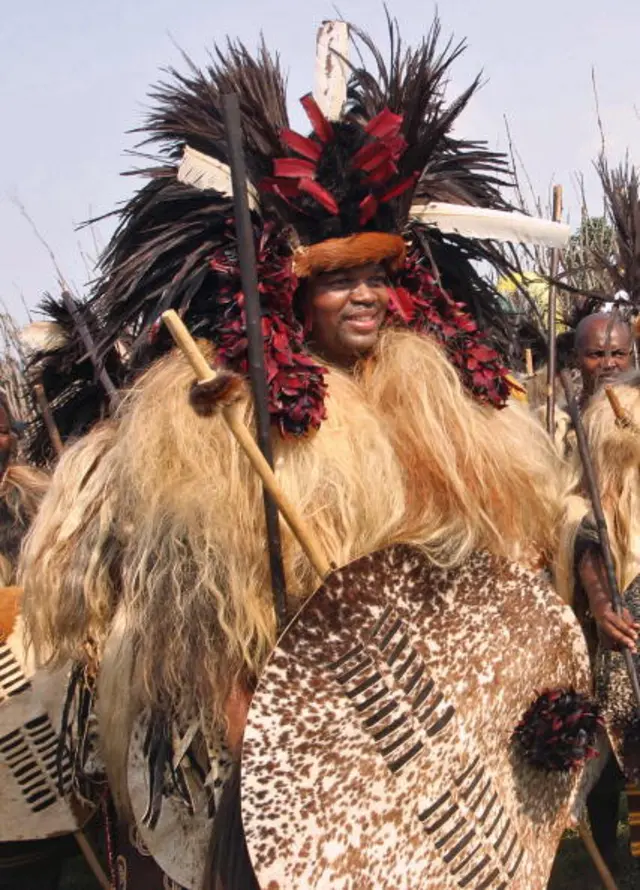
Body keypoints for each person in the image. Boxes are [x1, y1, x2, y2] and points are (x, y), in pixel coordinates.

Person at [19, 18, 590, 890]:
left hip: (438, 756)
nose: (364, 294)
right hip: (310, 768)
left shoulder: (454, 414)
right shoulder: (227, 429)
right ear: (296, 290)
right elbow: (215, 625)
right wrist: (268, 741)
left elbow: (494, 586)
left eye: (376, 273)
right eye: (337, 276)